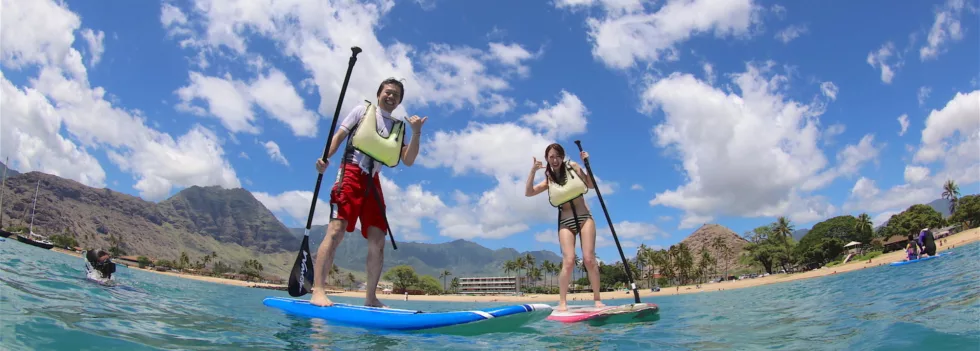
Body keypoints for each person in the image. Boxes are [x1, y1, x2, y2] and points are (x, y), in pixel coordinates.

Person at [310, 78, 427, 308]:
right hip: (351, 173)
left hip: (373, 181)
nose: (391, 96)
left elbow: (409, 160)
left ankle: (371, 298)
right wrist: (326, 158)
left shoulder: (398, 127)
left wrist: (416, 133)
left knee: (378, 240)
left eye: (396, 95)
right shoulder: (361, 111)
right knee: (336, 231)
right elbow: (339, 136)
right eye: (388, 92)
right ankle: (319, 291)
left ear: (399, 101)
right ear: (379, 94)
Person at [525, 143, 605, 312]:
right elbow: (529, 192)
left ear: (563, 156)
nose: (555, 160)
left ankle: (597, 299)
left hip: (585, 218)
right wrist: (533, 171)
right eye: (551, 157)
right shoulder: (549, 179)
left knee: (589, 259)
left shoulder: (573, 167)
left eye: (557, 156)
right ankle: (562, 302)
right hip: (565, 222)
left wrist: (586, 164)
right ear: (547, 159)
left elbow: (590, 185)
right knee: (568, 261)